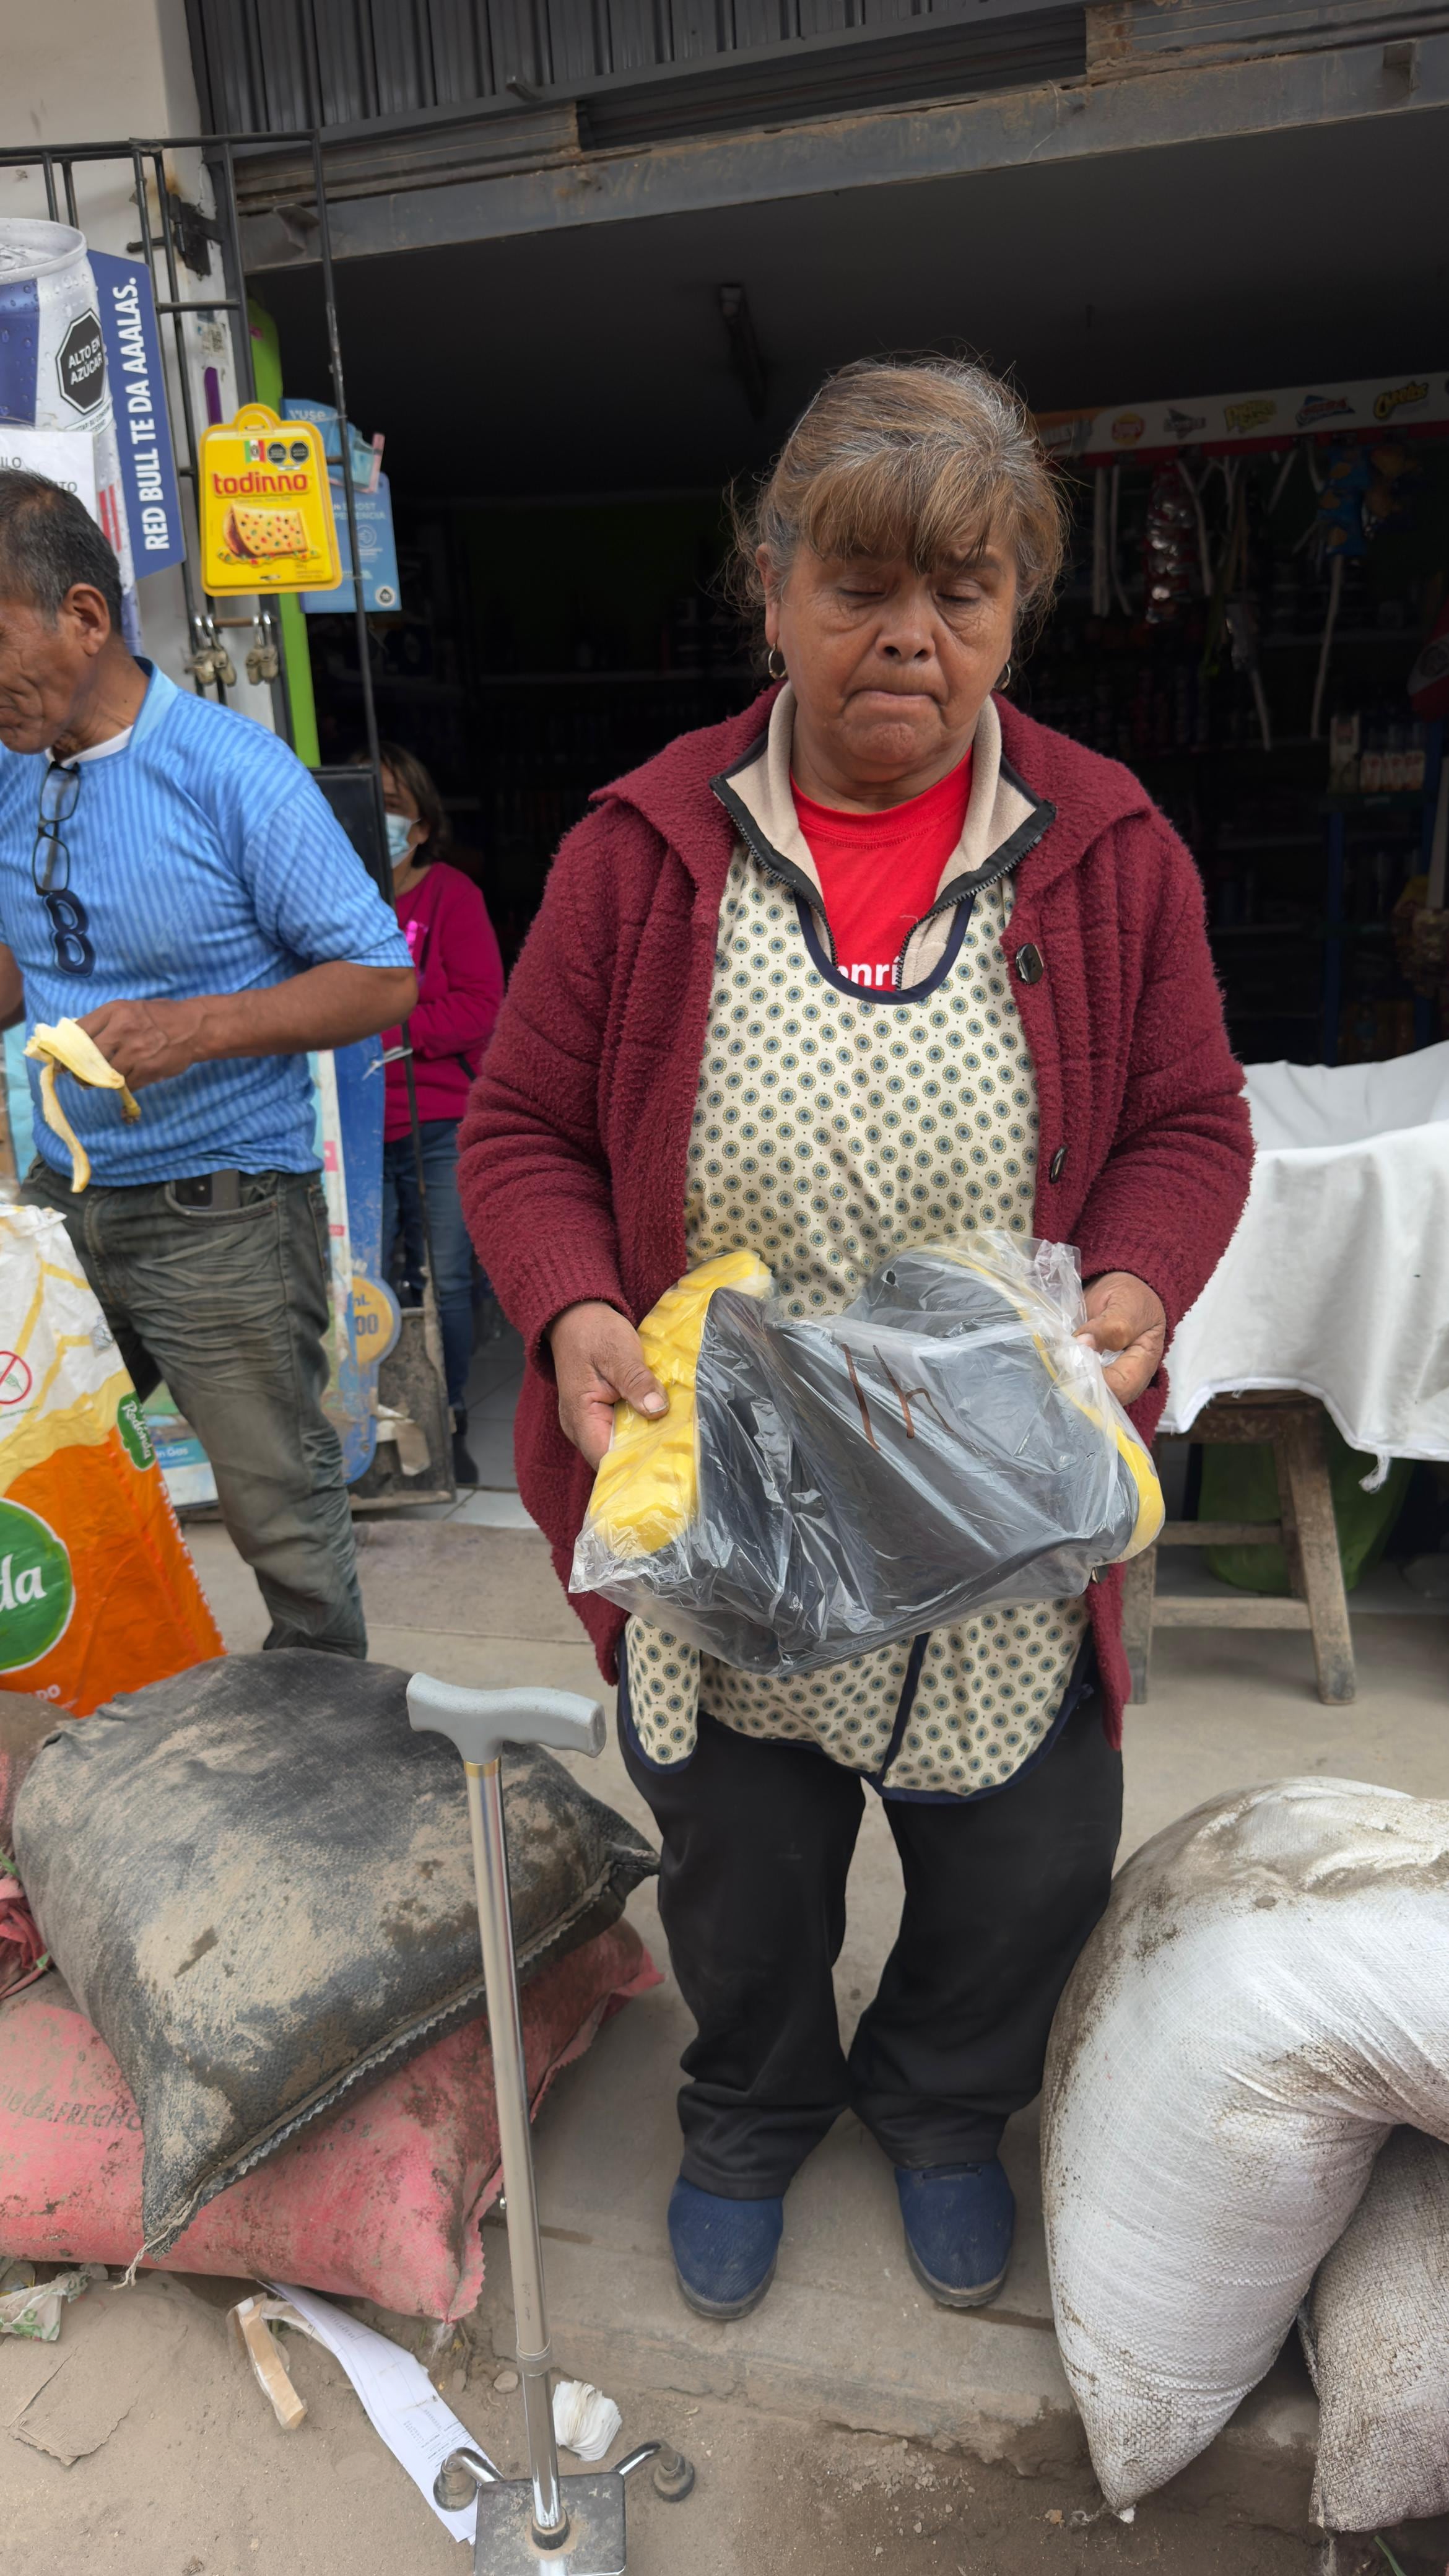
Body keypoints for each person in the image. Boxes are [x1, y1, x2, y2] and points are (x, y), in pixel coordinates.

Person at [459, 360, 1253, 2322]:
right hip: (725, 1482)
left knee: (1019, 1857)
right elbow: (521, 1131)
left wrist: (1144, 1270)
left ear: (1013, 609)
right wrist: (568, 1304)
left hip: (990, 1484)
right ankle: (752, 2101)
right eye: (863, 582)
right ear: (774, 583)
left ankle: (942, 2101)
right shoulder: (645, 852)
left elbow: (1187, 1123)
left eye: (963, 591)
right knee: (743, 1859)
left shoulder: (1111, 842)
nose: (911, 633)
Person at [0, 471, 416, 1658]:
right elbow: (21, 959)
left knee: (282, 1530)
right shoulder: (10, 772)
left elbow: (382, 977)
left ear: (85, 616)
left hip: (221, 1215)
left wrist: (192, 1028)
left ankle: (331, 1786)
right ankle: (80, 1733)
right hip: (60, 1210)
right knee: (27, 1483)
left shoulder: (237, 774)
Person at [363, 742, 504, 1483]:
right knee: (371, 1289)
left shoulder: (450, 895)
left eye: (392, 806)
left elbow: (480, 1007)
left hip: (439, 1123)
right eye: (366, 805)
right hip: (352, 1132)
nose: (379, 821)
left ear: (420, 825)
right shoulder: (332, 896)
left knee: (446, 1280)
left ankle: (447, 1421)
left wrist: (379, 1029)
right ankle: (382, 1429)